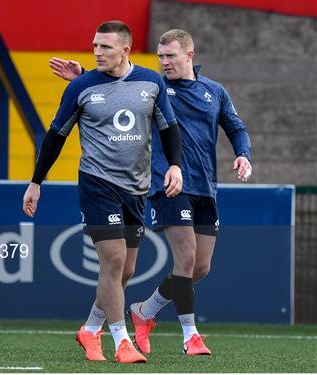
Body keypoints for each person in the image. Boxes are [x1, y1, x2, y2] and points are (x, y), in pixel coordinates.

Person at [49, 29, 252, 356]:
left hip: (205, 189)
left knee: (200, 268)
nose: (164, 62)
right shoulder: (154, 88)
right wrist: (84, 77)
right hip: (166, 185)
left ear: (189, 55)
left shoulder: (214, 91)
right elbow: (116, 91)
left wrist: (243, 154)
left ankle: (141, 312)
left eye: (170, 56)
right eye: (160, 56)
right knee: (182, 259)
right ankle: (190, 336)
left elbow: (235, 127)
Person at [22, 21, 183, 363]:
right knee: (113, 261)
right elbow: (55, 136)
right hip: (97, 184)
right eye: (95, 45)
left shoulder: (151, 82)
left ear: (125, 50)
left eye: (105, 47)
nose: (97, 52)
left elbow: (169, 127)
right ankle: (122, 341)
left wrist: (175, 165)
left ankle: (90, 329)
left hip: (137, 189)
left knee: (126, 272)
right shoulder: (81, 87)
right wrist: (36, 181)